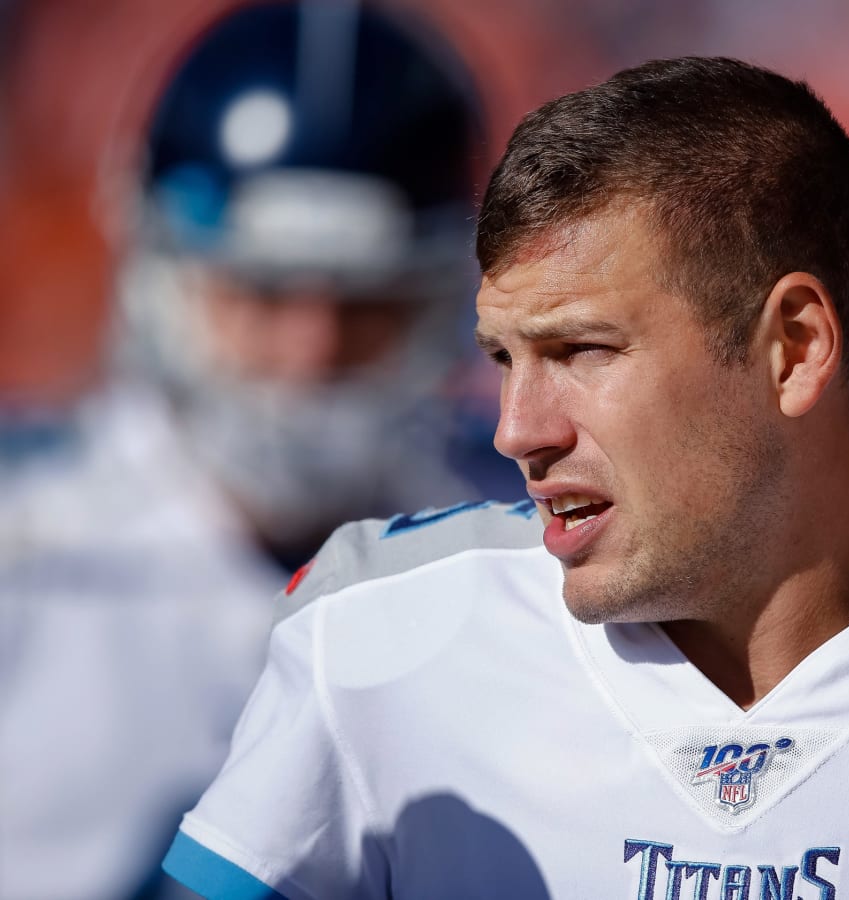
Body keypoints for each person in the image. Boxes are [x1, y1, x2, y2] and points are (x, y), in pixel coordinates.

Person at [161, 57, 849, 899]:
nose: (517, 431)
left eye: (582, 351)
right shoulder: (377, 636)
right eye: (503, 359)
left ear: (794, 349)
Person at [0, 4, 518, 899]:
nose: (308, 352)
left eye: (368, 305)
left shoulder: (534, 551)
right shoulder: (28, 548)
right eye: (261, 295)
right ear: (164, 277)